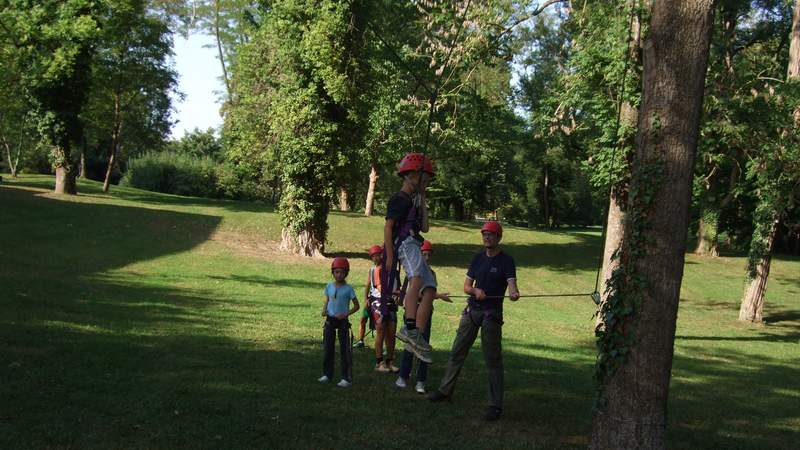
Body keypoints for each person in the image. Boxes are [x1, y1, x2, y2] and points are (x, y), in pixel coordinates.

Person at [428, 221, 520, 421]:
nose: (487, 238)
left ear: (498, 238)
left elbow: (512, 285)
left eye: (491, 235)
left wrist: (514, 293)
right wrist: (475, 290)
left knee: (493, 360)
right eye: (484, 235)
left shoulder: (507, 261)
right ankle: (445, 391)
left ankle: (495, 405)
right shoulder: (477, 258)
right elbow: (466, 286)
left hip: (491, 315)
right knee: (457, 351)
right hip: (471, 311)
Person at [384, 152, 438, 363]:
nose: (425, 183)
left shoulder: (414, 201)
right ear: (410, 176)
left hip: (416, 242)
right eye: (422, 180)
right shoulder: (399, 199)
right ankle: (408, 327)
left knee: (430, 288)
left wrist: (422, 199)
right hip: (405, 243)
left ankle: (416, 334)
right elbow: (389, 228)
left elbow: (424, 227)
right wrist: (390, 256)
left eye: (427, 181)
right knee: (415, 277)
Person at [396, 240, 450, 393]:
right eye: (423, 254)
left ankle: (421, 381)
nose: (426, 258)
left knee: (422, 345)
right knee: (410, 344)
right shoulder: (412, 273)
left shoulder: (431, 274)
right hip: (412, 313)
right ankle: (403, 376)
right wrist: (438, 295)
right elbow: (414, 293)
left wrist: (435, 295)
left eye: (428, 255)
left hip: (426, 314)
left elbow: (428, 293)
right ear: (418, 254)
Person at [319, 257, 360, 388]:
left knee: (345, 350)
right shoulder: (329, 286)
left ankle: (346, 378)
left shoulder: (349, 289)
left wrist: (345, 314)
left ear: (346, 273)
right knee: (328, 348)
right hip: (330, 321)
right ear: (333, 272)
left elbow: (356, 306)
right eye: (336, 272)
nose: (339, 274)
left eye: (342, 272)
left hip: (342, 322)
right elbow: (327, 299)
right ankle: (327, 374)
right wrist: (324, 310)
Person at [363, 245, 399, 373]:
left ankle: (390, 361)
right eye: (373, 256)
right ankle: (379, 362)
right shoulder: (375, 270)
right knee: (381, 331)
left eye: (379, 254)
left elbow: (398, 286)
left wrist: (399, 295)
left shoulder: (395, 271)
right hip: (379, 303)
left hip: (391, 303)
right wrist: (366, 298)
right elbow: (377, 286)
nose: (377, 258)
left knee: (392, 333)